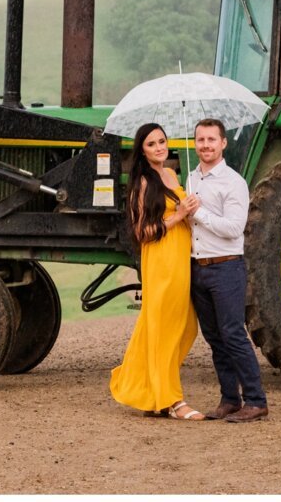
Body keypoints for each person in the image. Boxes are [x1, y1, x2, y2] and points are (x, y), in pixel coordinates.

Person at [110, 122, 205, 421]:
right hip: (161, 259)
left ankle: (151, 387)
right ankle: (173, 400)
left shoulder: (171, 174)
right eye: (151, 144)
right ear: (142, 150)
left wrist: (189, 210)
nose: (159, 147)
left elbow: (182, 218)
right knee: (165, 327)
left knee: (186, 325)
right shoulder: (142, 183)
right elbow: (141, 232)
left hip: (180, 256)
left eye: (162, 141)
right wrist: (177, 216)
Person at [182, 118, 269, 422]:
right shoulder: (192, 179)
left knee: (233, 334)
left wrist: (199, 212)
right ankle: (229, 398)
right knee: (215, 337)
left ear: (223, 143)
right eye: (200, 140)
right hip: (199, 268)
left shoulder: (234, 182)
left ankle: (256, 400)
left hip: (226, 267)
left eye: (211, 140)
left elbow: (234, 229)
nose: (205, 145)